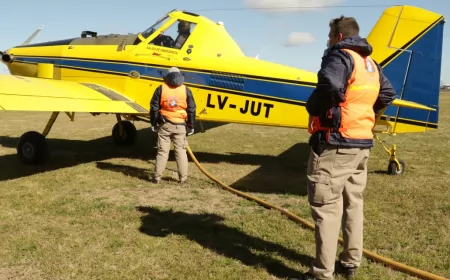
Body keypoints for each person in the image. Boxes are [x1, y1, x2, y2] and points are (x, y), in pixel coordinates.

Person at [294, 16, 397, 280]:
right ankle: (350, 262)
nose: (328, 41)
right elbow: (387, 94)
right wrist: (361, 113)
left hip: (336, 143)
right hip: (361, 144)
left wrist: (315, 108)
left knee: (326, 208)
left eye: (330, 36)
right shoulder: (370, 63)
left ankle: (321, 273)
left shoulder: (339, 56)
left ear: (338, 37)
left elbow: (329, 85)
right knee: (353, 204)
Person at [149, 67, 196, 184]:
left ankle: (157, 177)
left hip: (164, 124)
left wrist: (154, 123)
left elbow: (154, 107)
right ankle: (183, 178)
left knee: (162, 152)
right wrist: (191, 125)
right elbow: (191, 109)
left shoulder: (161, 88)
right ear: (179, 75)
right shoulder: (186, 89)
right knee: (180, 152)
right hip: (180, 125)